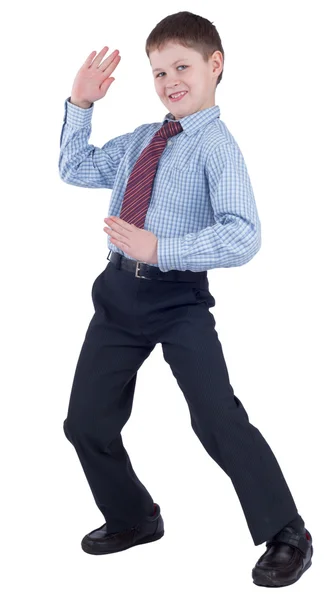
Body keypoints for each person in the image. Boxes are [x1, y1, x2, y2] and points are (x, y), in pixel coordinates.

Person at [59, 10, 313, 587]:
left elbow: (243, 234)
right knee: (85, 421)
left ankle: (288, 531)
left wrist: (160, 247)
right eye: (158, 72)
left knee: (217, 417)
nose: (170, 80)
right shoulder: (142, 139)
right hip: (118, 296)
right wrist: (80, 105)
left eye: (182, 66)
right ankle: (134, 517)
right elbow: (74, 168)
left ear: (214, 66)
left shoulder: (217, 149)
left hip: (178, 301)